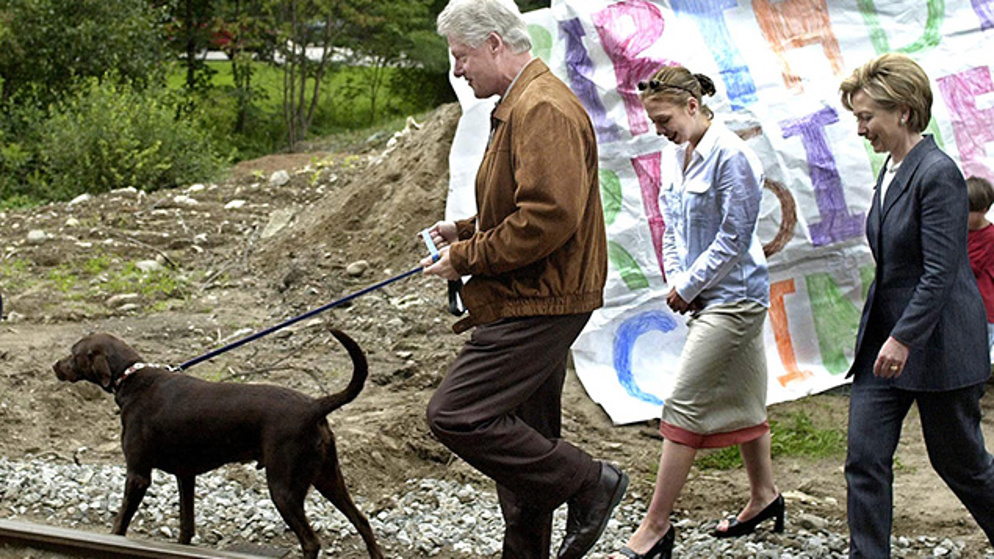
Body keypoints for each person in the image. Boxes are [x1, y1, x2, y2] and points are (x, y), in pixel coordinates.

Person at [421, 1, 627, 558]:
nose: (458, 70)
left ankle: (591, 483)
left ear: (493, 43)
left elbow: (548, 217)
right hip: (536, 293)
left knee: (457, 414)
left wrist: (469, 257)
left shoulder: (541, 108)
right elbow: (524, 204)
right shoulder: (522, 103)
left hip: (540, 299)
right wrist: (462, 230)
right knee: (526, 443)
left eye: (462, 56)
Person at [610, 65, 781, 559]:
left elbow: (735, 237)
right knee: (748, 401)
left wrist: (689, 285)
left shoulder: (735, 157)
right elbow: (669, 223)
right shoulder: (673, 154)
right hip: (704, 295)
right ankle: (764, 496)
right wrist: (675, 279)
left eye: (665, 119)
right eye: (654, 122)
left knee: (682, 404)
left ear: (692, 105)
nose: (659, 130)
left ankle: (655, 527)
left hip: (736, 300)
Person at [839, 52, 994, 558]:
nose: (862, 129)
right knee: (864, 459)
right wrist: (890, 337)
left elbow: (941, 270)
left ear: (903, 111)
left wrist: (904, 337)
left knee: (960, 464)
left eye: (867, 117)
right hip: (883, 346)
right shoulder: (892, 169)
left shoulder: (937, 172)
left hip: (938, 346)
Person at [967, 176, 994, 362]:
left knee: (977, 359)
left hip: (984, 309)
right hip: (965, 305)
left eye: (969, 211)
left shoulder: (990, 237)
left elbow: (971, 266)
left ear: (983, 210)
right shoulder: (962, 230)